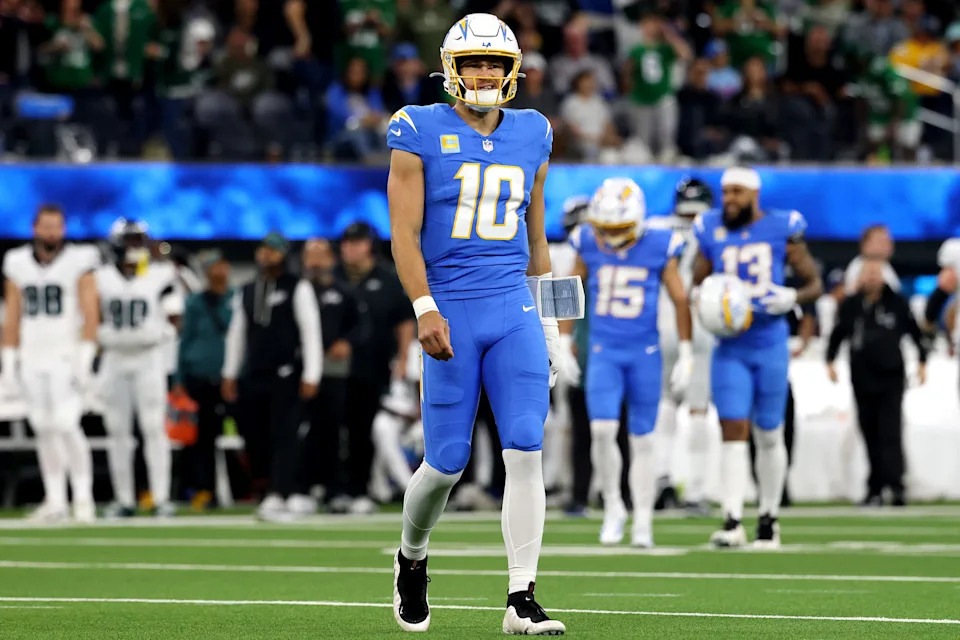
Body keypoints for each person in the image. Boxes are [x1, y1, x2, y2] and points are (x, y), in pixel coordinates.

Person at [386, 13, 568, 634]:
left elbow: (538, 238)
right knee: (446, 461)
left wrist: (553, 327)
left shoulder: (534, 132)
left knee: (526, 445)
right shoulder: (417, 127)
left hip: (513, 303)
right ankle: (411, 556)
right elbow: (403, 236)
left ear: (513, 70)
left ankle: (522, 598)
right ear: (451, 69)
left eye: (494, 62)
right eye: (473, 63)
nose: (484, 73)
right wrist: (423, 307)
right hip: (451, 307)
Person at [693, 166, 822, 548]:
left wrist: (793, 297)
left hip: (769, 342)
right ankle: (732, 519)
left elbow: (813, 282)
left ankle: (769, 518)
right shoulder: (709, 228)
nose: (729, 199)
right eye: (725, 192)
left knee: (769, 431)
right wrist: (707, 300)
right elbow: (697, 283)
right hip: (730, 345)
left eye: (737, 192)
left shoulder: (783, 226)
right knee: (732, 429)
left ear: (754, 194)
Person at [562, 177, 693, 547]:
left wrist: (686, 351)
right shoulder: (586, 240)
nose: (611, 236)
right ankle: (614, 504)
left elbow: (681, 299)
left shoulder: (659, 243)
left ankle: (644, 520)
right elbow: (568, 285)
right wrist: (564, 339)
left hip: (644, 353)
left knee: (644, 440)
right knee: (602, 432)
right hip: (603, 351)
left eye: (619, 228)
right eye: (606, 228)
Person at [0, 204, 99, 523]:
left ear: (64, 229)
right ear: (34, 228)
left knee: (67, 424)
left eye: (56, 226)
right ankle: (55, 499)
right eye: (46, 226)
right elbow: (12, 314)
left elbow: (90, 310)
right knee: (43, 428)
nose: (51, 232)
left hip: (65, 354)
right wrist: (9, 360)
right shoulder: (16, 262)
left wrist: (85, 356)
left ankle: (83, 498)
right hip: (31, 355)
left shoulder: (79, 260)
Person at [221, 232, 322, 522]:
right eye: (263, 250)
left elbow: (310, 332)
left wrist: (311, 374)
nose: (266, 255)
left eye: (273, 251)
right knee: (257, 435)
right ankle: (267, 489)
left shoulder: (297, 287)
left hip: (287, 374)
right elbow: (237, 335)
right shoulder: (249, 290)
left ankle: (284, 491)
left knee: (285, 435)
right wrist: (229, 372)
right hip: (255, 374)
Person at [96, 218, 184, 518]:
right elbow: (89, 316)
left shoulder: (160, 274)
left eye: (139, 241)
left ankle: (160, 498)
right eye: (131, 241)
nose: (136, 248)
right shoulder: (101, 277)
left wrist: (157, 335)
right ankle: (124, 499)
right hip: (114, 358)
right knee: (117, 431)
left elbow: (175, 320)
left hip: (148, 358)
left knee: (153, 428)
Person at [827, 257, 928, 506]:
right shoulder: (851, 304)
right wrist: (829, 360)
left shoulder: (896, 303)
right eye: (867, 273)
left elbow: (915, 333)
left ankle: (896, 487)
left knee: (890, 433)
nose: (871, 277)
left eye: (875, 273)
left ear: (883, 276)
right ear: (859, 277)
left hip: (891, 377)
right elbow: (838, 333)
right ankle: (875, 488)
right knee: (869, 433)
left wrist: (923, 361)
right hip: (862, 377)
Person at [335, 221, 415, 514]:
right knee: (332, 429)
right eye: (346, 242)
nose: (350, 248)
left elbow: (404, 321)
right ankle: (335, 489)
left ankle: (362, 489)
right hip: (335, 370)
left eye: (357, 242)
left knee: (364, 429)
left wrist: (404, 358)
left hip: (375, 367)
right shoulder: (334, 278)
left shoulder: (388, 279)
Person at [652, 178, 718, 517]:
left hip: (662, 324)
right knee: (697, 410)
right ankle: (694, 490)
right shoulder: (714, 230)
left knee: (664, 405)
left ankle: (661, 481)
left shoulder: (657, 228)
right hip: (699, 324)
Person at [289, 238, 360, 514]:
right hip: (302, 371)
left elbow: (360, 325)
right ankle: (299, 488)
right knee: (300, 431)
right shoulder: (296, 290)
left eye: (321, 255)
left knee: (331, 430)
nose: (315, 261)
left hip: (333, 371)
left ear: (331, 258)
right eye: (310, 255)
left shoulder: (343, 291)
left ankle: (333, 490)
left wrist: (346, 342)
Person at [175, 249, 233, 512]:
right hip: (199, 377)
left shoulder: (238, 299)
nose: (218, 271)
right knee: (201, 440)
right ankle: (204, 490)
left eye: (221, 265)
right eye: (212, 267)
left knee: (253, 431)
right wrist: (179, 379)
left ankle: (260, 487)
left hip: (231, 377)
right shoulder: (196, 303)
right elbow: (184, 341)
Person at [844, 224, 900, 295]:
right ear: (865, 244)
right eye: (881, 241)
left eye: (888, 240)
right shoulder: (859, 266)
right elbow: (850, 294)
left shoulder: (885, 266)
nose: (888, 245)